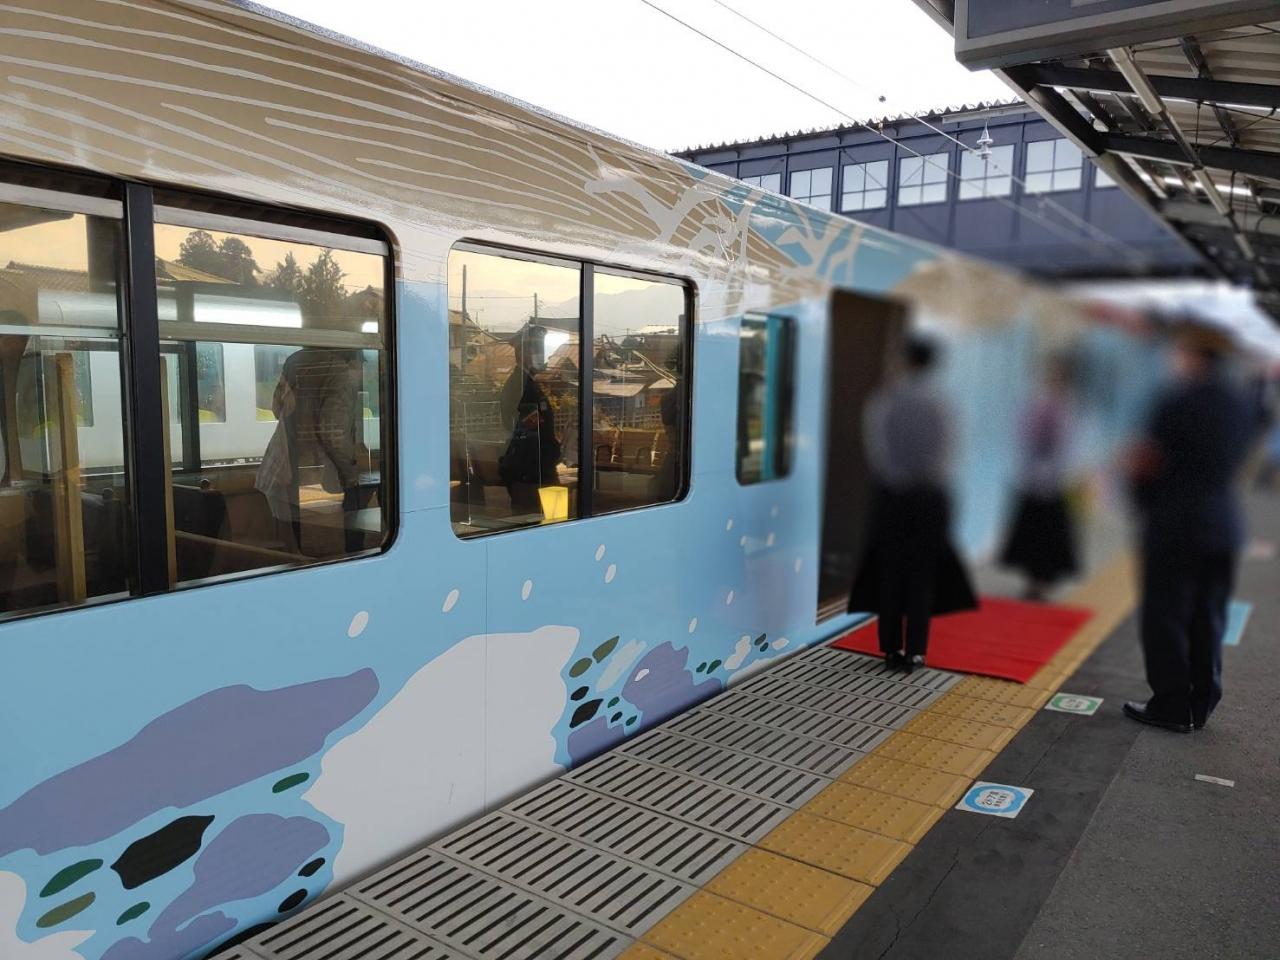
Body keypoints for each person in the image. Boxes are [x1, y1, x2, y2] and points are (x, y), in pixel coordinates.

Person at [1123, 326, 1253, 733]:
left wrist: (1141, 501)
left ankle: (1172, 705)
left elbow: (1148, 461)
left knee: (1166, 615)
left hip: (1176, 525)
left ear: (1194, 355)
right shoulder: (1241, 404)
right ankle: (1201, 702)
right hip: (1222, 526)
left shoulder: (1177, 401)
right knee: (1208, 614)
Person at [847, 335, 976, 673]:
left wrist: (897, 478)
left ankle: (891, 649)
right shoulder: (942, 402)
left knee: (889, 572)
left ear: (905, 361)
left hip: (891, 496)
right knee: (922, 575)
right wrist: (926, 478)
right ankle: (917, 651)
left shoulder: (886, 399)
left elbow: (877, 447)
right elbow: (949, 448)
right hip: (929, 497)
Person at [256, 347, 364, 555]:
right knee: (343, 546)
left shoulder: (294, 360)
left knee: (292, 546)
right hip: (319, 473)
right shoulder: (339, 373)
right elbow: (333, 433)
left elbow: (277, 408)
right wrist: (351, 473)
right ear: (354, 362)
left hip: (285, 463)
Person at [999, 354, 1080, 601]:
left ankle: (1044, 580)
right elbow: (1022, 436)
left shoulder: (1068, 408)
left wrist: (1058, 473)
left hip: (1054, 482)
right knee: (1033, 534)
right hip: (1033, 479)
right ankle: (1034, 580)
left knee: (1049, 535)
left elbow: (1069, 446)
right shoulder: (1037, 403)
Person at [498, 324, 561, 519]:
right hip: (532, 467)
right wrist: (553, 449)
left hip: (536, 464)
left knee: (550, 517)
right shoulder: (521, 384)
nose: (541, 356)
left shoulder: (526, 381)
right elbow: (527, 429)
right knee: (550, 518)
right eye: (536, 350)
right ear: (523, 354)